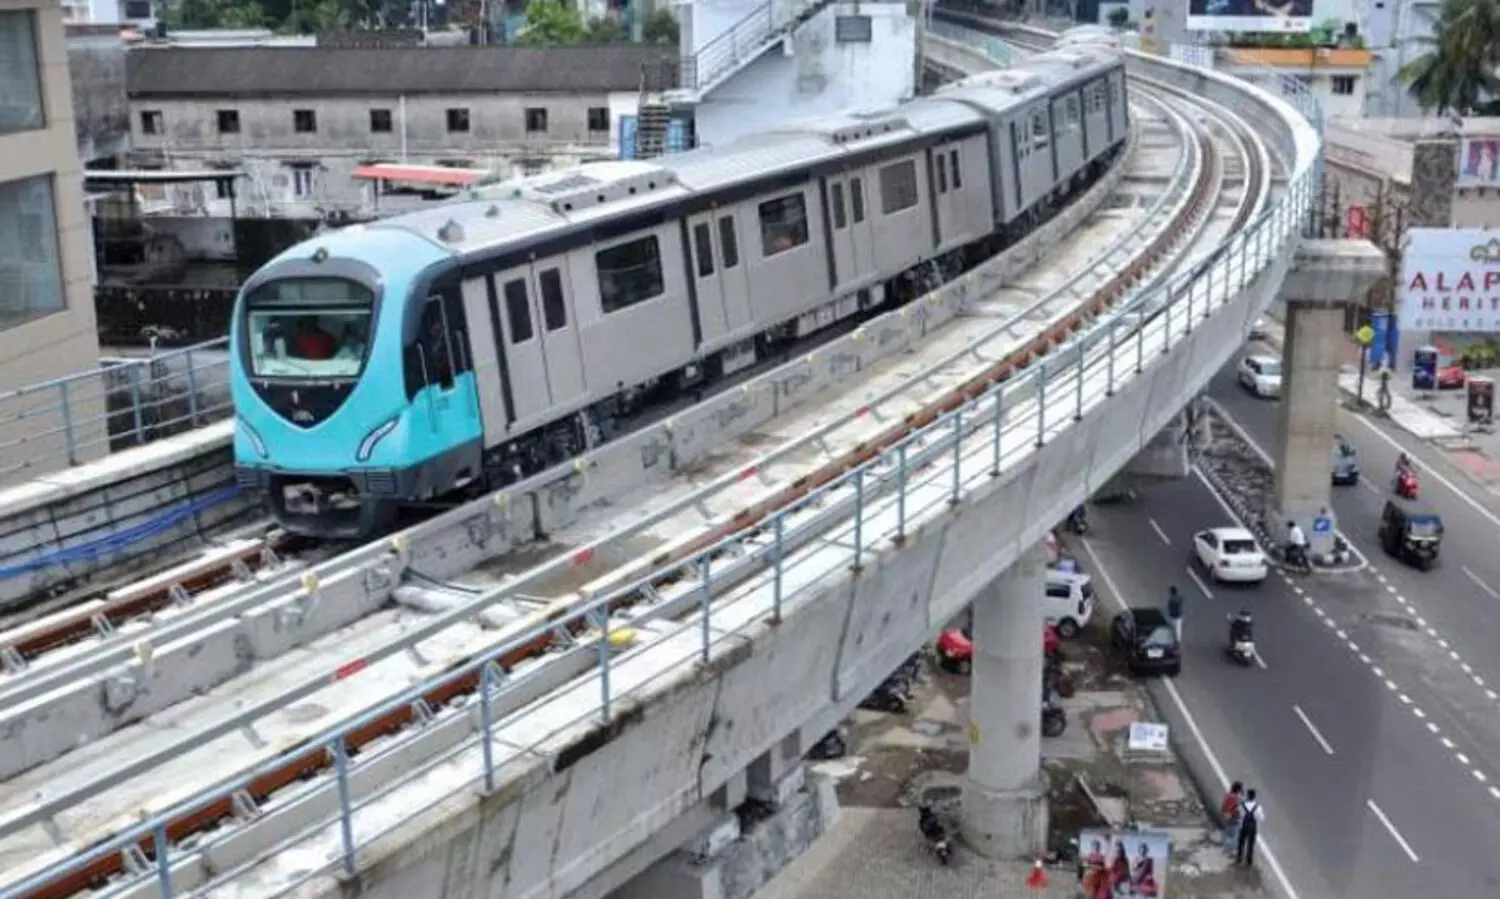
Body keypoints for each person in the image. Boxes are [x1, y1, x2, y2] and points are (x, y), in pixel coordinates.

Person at [1236, 788, 1265, 866]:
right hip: (1253, 827)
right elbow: (1261, 819)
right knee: (1251, 844)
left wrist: (1240, 822)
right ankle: (1249, 860)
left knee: (1241, 842)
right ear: (1254, 797)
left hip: (1244, 826)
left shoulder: (1242, 805)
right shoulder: (1258, 807)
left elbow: (1240, 815)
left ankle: (1239, 858)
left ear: (1248, 796)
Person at [1219, 781, 1243, 847]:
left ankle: (1225, 844)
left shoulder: (1229, 795)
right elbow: (1233, 808)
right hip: (1232, 818)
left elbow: (1223, 806)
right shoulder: (1235, 798)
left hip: (1226, 817)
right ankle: (1230, 849)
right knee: (1234, 834)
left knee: (1226, 831)